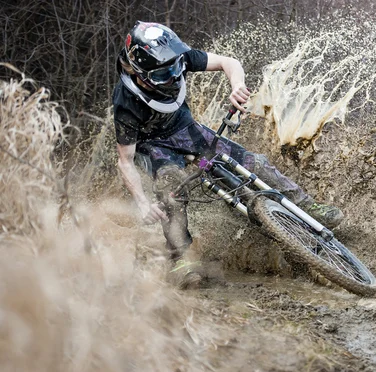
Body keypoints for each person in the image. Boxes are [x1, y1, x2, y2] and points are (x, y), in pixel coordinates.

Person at [113, 21, 343, 284]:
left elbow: (228, 62)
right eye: (164, 75)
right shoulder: (126, 103)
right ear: (143, 74)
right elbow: (125, 161)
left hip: (185, 129)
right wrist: (143, 203)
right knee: (172, 187)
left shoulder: (176, 56)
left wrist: (237, 86)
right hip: (153, 145)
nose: (174, 76)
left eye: (175, 68)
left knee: (253, 162)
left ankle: (307, 206)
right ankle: (181, 258)